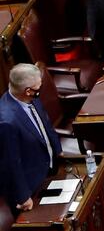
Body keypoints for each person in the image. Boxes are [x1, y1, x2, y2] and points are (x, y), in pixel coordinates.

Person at [0, 64, 62, 212]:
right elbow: (11, 162)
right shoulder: (7, 121)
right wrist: (23, 196)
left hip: (49, 166)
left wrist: (58, 150)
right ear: (27, 91)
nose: (40, 90)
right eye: (38, 88)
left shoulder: (29, 96)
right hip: (32, 183)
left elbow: (45, 123)